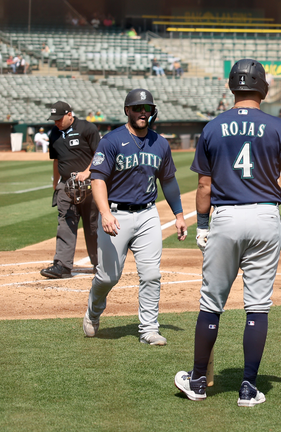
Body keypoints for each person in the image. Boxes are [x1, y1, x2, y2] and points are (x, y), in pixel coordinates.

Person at [174, 59, 281, 407]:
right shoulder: (276, 127)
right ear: (264, 89)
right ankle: (247, 388)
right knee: (257, 306)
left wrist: (203, 226)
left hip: (225, 217)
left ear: (231, 87)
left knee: (211, 303)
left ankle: (197, 381)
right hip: (265, 217)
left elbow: (205, 187)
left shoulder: (212, 127)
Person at [84, 88, 188, 346]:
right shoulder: (111, 141)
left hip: (147, 215)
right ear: (127, 110)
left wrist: (179, 215)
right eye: (138, 108)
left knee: (151, 275)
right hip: (116, 215)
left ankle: (149, 330)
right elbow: (97, 179)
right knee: (108, 276)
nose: (144, 112)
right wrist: (105, 213)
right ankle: (93, 311)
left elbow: (168, 181)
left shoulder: (160, 143)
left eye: (148, 108)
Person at [41, 101, 100, 279]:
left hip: (89, 186)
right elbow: (56, 160)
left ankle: (100, 264)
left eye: (59, 119)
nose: (56, 122)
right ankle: (62, 266)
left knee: (93, 227)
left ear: (69, 114)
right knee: (65, 225)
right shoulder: (54, 133)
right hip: (66, 185)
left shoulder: (87, 128)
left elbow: (100, 155)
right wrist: (56, 183)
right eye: (54, 120)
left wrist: (87, 172)